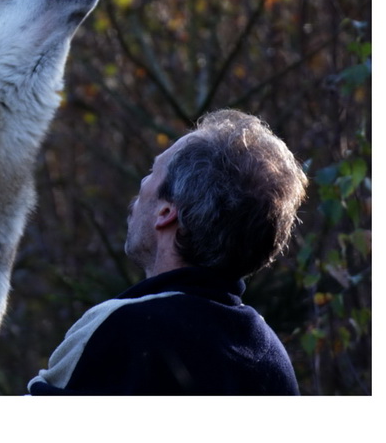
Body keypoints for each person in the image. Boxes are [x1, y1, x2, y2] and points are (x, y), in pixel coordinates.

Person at [28, 108, 308, 395]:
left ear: (165, 213)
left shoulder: (119, 329)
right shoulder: (272, 360)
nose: (141, 183)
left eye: (153, 171)